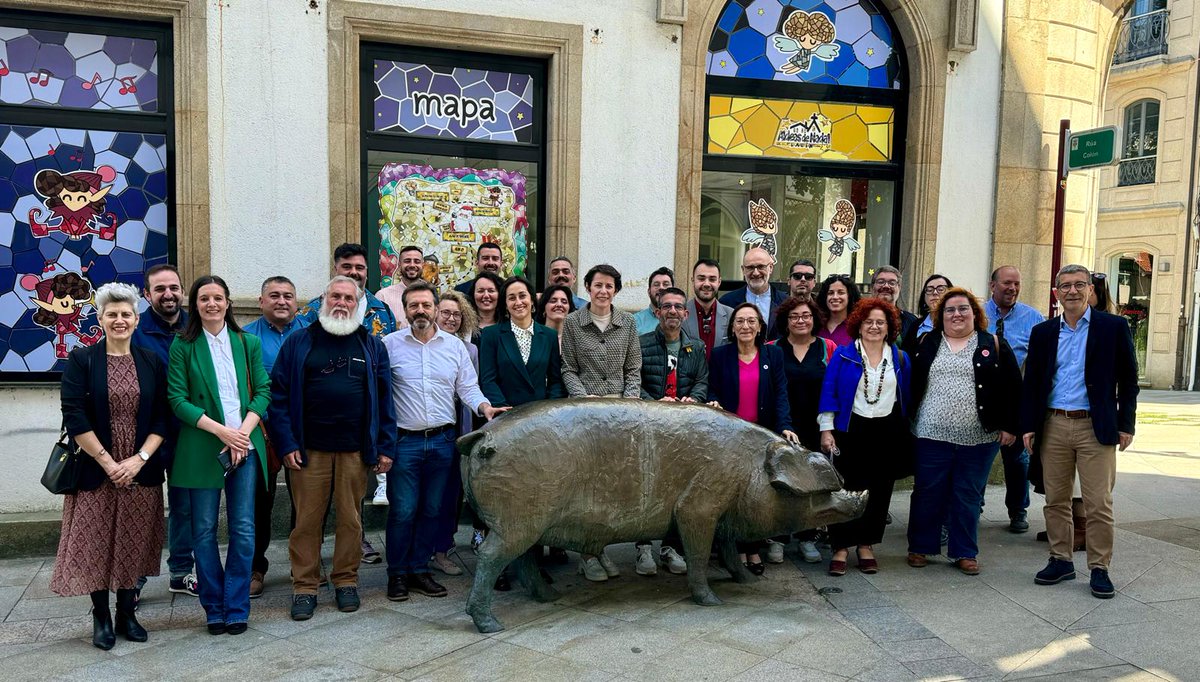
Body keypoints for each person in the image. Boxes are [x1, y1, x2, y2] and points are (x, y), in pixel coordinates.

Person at [268, 276, 396, 621]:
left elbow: (385, 401)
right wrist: (287, 443)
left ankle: (345, 581)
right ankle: (305, 586)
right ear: (324, 300)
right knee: (306, 522)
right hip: (309, 452)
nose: (341, 302)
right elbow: (277, 398)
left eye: (348, 298)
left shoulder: (371, 346)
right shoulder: (298, 342)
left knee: (351, 521)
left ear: (358, 304)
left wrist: (385, 446)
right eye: (335, 296)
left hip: (356, 452)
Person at [54, 282, 168, 650]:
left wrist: (139, 459)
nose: (119, 320)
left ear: (136, 320)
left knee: (133, 542)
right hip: (94, 466)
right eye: (112, 314)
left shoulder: (151, 361)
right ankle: (101, 616)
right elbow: (74, 415)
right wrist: (108, 462)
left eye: (126, 314)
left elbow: (163, 418)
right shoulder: (82, 360)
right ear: (100, 319)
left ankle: (127, 613)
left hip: (140, 468)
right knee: (96, 541)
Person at [381, 282, 507, 602]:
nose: (420, 310)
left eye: (426, 305)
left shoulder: (453, 347)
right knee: (403, 510)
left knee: (433, 509)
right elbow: (379, 397)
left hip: (442, 442)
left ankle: (419, 569)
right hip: (404, 442)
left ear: (436, 309)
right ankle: (397, 574)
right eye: (413, 306)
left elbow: (468, 387)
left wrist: (484, 407)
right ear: (405, 310)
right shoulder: (388, 345)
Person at [1023, 265, 1139, 600]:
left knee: (1097, 502)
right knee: (1056, 500)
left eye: (1079, 285)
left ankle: (1100, 567)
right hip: (1054, 423)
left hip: (1095, 426)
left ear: (1090, 289)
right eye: (1065, 286)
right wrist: (1028, 425)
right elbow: (1033, 383)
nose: (1072, 291)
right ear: (1056, 292)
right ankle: (1060, 560)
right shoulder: (1044, 332)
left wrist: (1126, 424)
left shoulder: (1113, 327)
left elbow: (1129, 381)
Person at [167, 275, 271, 635]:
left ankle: (237, 605)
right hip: (202, 446)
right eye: (204, 298)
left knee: (243, 529)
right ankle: (213, 606)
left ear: (228, 303)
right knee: (204, 531)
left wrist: (242, 434)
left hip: (244, 445)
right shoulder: (183, 345)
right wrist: (222, 431)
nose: (212, 304)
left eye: (218, 298)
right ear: (194, 305)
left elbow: (263, 391)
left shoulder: (248, 343)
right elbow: (177, 400)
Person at [906, 288, 1022, 575]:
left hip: (979, 438)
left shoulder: (992, 343)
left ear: (975, 313)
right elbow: (908, 382)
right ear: (940, 316)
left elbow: (1013, 389)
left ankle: (964, 551)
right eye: (950, 310)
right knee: (926, 492)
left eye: (963, 309)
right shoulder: (926, 342)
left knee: (967, 495)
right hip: (930, 434)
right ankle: (920, 546)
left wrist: (1010, 426)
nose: (956, 314)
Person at [299, 242, 398, 529]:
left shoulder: (382, 311)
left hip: (358, 437)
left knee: (351, 511)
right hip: (314, 438)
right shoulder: (310, 313)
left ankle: (350, 564)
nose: (354, 273)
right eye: (347, 267)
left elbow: (384, 382)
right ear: (336, 270)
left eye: (359, 268)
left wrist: (384, 440)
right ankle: (307, 571)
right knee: (308, 516)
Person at [560, 263, 642, 580]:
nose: (603, 291)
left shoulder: (629, 323)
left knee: (615, 487)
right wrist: (585, 401)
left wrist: (629, 402)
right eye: (597, 285)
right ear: (588, 288)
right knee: (588, 487)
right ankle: (587, 554)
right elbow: (568, 368)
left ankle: (603, 547)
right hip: (586, 416)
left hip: (620, 414)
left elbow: (633, 369)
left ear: (616, 290)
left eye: (609, 286)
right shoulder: (573, 322)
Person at [818, 298, 911, 576]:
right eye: (869, 321)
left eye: (880, 322)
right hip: (850, 429)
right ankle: (841, 547)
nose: (874, 326)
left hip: (886, 431)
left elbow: (906, 396)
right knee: (846, 489)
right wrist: (826, 428)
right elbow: (829, 390)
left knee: (879, 490)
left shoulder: (899, 357)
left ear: (889, 327)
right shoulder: (844, 355)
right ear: (859, 325)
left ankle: (866, 545)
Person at [708, 303, 800, 574]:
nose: (745, 326)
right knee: (733, 495)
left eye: (751, 321)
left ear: (760, 326)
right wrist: (712, 402)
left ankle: (753, 549)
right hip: (730, 438)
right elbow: (712, 389)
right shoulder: (720, 355)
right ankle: (735, 549)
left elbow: (781, 392)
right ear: (732, 327)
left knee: (758, 494)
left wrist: (785, 426)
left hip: (762, 435)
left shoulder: (774, 354)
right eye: (740, 321)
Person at [131, 264, 197, 599]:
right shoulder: (134, 330)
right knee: (144, 508)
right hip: (147, 436)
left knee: (184, 505)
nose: (168, 294)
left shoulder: (197, 327)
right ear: (147, 294)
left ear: (182, 291)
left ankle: (181, 572)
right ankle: (135, 580)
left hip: (189, 435)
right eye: (160, 289)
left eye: (174, 287)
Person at [242, 275, 310, 597]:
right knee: (258, 505)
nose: (282, 301)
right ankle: (256, 567)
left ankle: (305, 565)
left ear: (297, 302)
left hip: (303, 432)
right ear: (261, 301)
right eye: (274, 295)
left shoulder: (312, 334)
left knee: (307, 504)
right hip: (262, 434)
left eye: (288, 296)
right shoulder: (244, 338)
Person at [636, 286, 709, 577]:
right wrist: (653, 403)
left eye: (678, 307)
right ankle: (642, 547)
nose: (673, 312)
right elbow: (633, 381)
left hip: (683, 431)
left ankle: (670, 548)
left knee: (678, 487)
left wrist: (694, 400)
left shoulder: (697, 347)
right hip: (648, 427)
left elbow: (702, 381)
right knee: (645, 486)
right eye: (667, 306)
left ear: (686, 313)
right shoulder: (641, 344)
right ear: (657, 311)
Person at [764, 297, 837, 564]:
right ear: (785, 321)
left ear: (814, 319)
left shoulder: (827, 348)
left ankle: (808, 537)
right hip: (781, 426)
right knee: (781, 483)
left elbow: (833, 390)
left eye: (805, 316)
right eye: (794, 316)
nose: (800, 321)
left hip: (815, 427)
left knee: (811, 483)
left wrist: (829, 428)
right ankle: (777, 538)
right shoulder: (772, 348)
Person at [984, 266, 1045, 534]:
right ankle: (973, 506)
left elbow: (1041, 363)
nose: (1012, 288)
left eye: (1017, 284)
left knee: (1017, 460)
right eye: (1007, 283)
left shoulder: (1033, 318)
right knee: (978, 459)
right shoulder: (977, 314)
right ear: (992, 285)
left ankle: (1018, 510)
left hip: (1016, 400)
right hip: (983, 398)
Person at [431, 290, 479, 577]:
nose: (451, 318)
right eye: (446, 312)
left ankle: (442, 549)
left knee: (451, 494)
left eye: (457, 314)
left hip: (457, 430)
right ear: (436, 312)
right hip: (424, 428)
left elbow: (471, 390)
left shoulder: (469, 350)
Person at [719, 247, 788, 331]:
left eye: (761, 267)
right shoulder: (727, 302)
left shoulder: (786, 302)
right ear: (743, 270)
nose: (756, 273)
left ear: (770, 268)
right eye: (750, 267)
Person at [683, 258, 733, 360]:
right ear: (693, 281)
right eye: (701, 278)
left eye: (712, 279)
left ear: (719, 282)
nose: (706, 284)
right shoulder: (680, 314)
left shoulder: (732, 315)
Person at [375, 244, 425, 327]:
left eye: (417, 261)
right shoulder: (383, 296)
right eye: (407, 261)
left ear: (422, 265)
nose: (412, 265)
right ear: (399, 265)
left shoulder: (432, 295)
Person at [902, 273, 953, 351]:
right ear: (924, 297)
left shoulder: (957, 323)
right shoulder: (915, 325)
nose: (935, 293)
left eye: (941, 289)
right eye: (929, 290)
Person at [870, 266, 918, 342]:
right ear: (872, 287)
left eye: (892, 283)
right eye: (881, 282)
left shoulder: (911, 321)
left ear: (899, 288)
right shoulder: (860, 317)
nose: (886, 286)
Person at [815, 274, 860, 347]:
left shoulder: (857, 327)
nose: (835, 297)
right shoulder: (816, 325)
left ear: (849, 296)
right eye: (831, 293)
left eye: (841, 292)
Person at [633, 266, 675, 335]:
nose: (661, 288)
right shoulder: (635, 322)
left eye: (666, 284)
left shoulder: (682, 319)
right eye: (656, 284)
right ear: (649, 291)